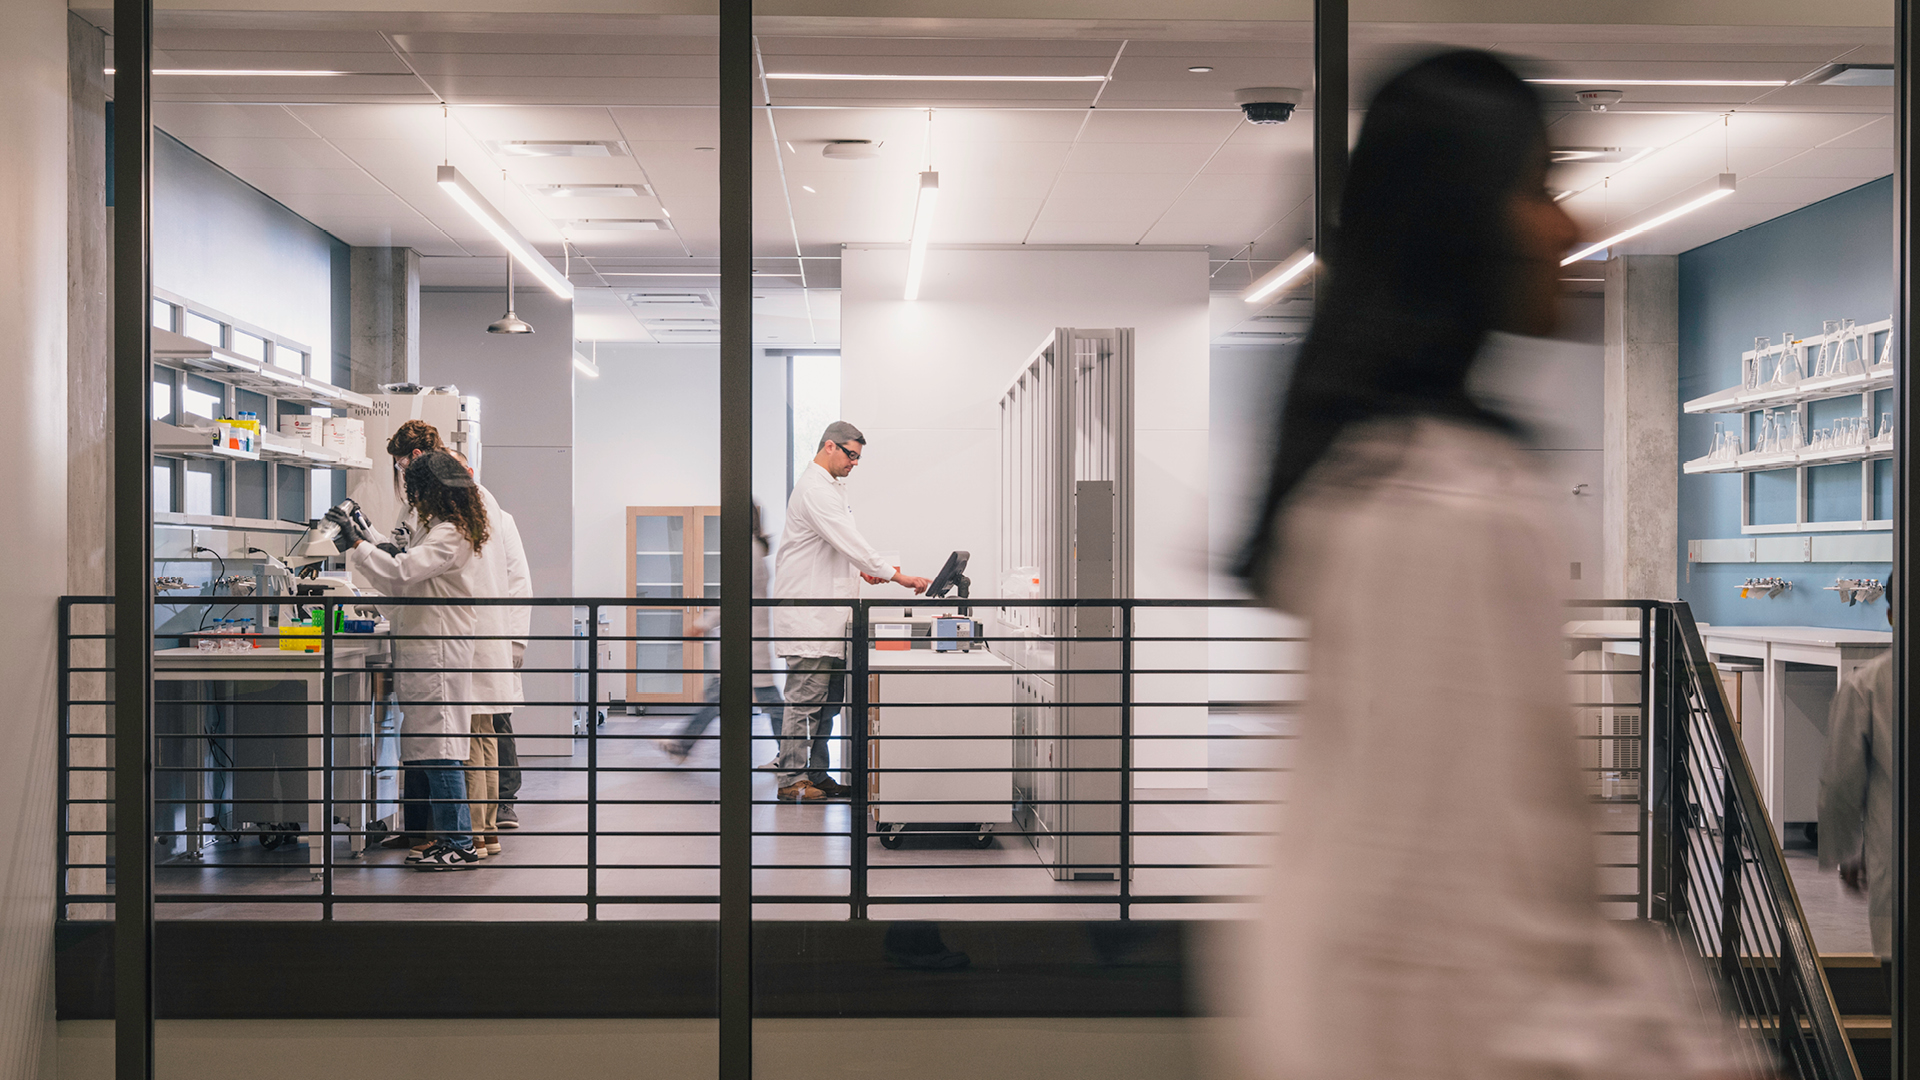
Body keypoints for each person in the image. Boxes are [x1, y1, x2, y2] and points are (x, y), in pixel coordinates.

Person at [1218, 51, 1741, 1078]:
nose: (1569, 227)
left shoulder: (1388, 476)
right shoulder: (1444, 508)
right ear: (1459, 217)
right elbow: (1457, 924)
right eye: (1538, 187)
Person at [330, 450, 490, 871]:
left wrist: (359, 546)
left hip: (438, 653)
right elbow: (403, 561)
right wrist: (368, 536)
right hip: (426, 650)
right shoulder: (438, 528)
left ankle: (461, 842)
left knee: (440, 750)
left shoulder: (450, 534)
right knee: (431, 747)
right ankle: (454, 838)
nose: (412, 498)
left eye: (415, 489)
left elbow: (402, 573)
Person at [770, 421, 930, 803]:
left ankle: (816, 774)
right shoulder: (814, 490)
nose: (855, 463)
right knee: (805, 700)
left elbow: (833, 546)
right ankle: (791, 780)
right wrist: (896, 576)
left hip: (828, 617)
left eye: (858, 457)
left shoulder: (830, 490)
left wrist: (860, 569)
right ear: (830, 446)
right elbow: (848, 539)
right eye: (851, 455)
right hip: (809, 617)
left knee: (827, 704)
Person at [449, 448, 532, 855]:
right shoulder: (457, 516)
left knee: (492, 724)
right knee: (483, 726)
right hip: (471, 638)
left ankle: (504, 802)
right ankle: (482, 824)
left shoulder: (496, 516)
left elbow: (517, 578)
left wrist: (517, 639)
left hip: (490, 637)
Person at [658, 501, 785, 764]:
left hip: (744, 643)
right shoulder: (754, 548)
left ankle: (790, 756)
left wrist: (704, 623)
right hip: (746, 640)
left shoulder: (746, 550)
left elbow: (734, 598)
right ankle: (682, 745)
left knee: (765, 701)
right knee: (731, 697)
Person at [1819, 578, 1892, 969]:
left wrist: (1846, 850)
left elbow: (1841, 779)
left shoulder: (1868, 684)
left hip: (1898, 859)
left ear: (1891, 615)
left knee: (1900, 979)